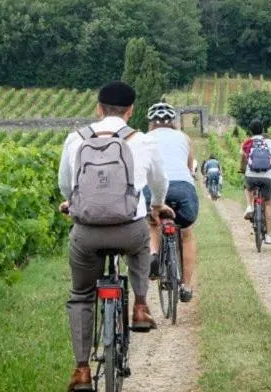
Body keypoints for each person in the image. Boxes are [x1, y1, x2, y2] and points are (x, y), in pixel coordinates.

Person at [58, 81, 173, 391]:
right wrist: (158, 205)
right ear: (131, 110)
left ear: (98, 108)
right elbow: (159, 183)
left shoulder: (75, 139)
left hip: (87, 233)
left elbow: (66, 185)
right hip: (129, 228)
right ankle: (139, 306)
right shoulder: (143, 141)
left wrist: (72, 203)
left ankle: (81, 370)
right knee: (140, 246)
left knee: (81, 294)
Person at [144, 102, 200, 302]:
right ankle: (185, 285)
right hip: (182, 188)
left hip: (153, 188)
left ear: (151, 123)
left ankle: (152, 255)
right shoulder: (184, 137)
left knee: (153, 222)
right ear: (173, 122)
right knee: (186, 234)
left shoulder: (144, 139)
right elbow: (188, 166)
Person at [240, 119, 271, 245]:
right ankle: (268, 235)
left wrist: (242, 169)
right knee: (267, 204)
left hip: (251, 175)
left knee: (247, 186)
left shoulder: (247, 143)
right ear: (263, 130)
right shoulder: (270, 143)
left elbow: (243, 159)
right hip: (267, 176)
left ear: (250, 131)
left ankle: (250, 207)